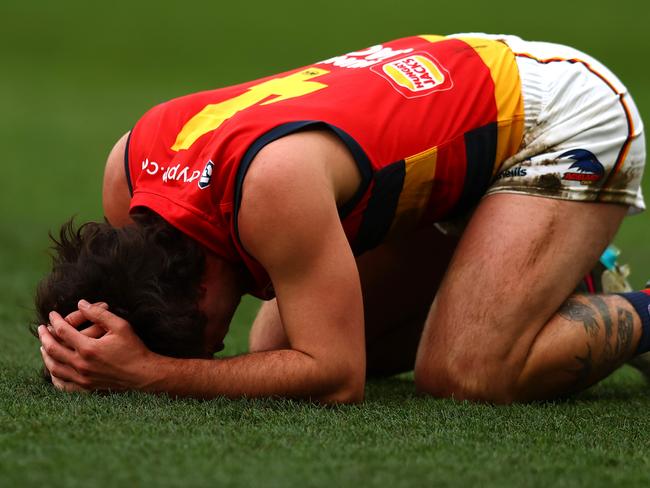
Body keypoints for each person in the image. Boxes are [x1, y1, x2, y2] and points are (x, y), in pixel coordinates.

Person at [35, 33, 649, 404]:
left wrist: (156, 374)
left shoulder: (269, 189)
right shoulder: (129, 171)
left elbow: (336, 377)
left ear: (197, 286)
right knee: (273, 346)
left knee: (467, 373)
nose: (214, 345)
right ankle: (559, 275)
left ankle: (640, 305)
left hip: (561, 116)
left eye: (205, 337)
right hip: (462, 107)